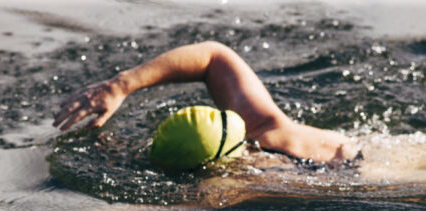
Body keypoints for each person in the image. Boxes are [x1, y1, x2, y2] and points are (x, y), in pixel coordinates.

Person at [53, 41, 359, 164]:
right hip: (366, 151)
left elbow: (213, 54)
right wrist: (119, 85)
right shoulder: (263, 125)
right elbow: (214, 54)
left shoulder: (235, 183)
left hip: (369, 171)